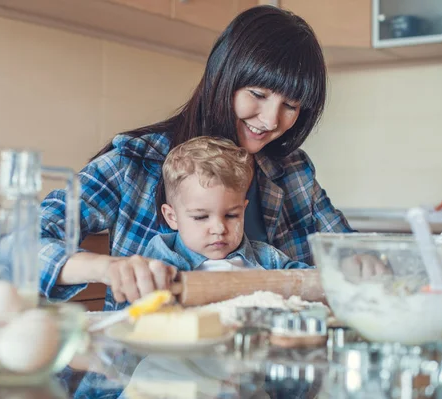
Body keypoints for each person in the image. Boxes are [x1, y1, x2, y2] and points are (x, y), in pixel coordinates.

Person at [39, 5, 354, 311]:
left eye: (291, 106)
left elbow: (349, 255)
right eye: (258, 94)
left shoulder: (292, 171)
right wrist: (107, 268)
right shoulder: (136, 161)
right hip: (149, 360)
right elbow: (20, 244)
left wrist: (364, 264)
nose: (271, 120)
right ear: (222, 78)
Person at [142, 136, 311, 271]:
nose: (219, 229)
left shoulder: (267, 258)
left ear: (243, 211)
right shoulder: (161, 259)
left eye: (231, 215)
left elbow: (313, 281)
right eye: (201, 217)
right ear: (172, 217)